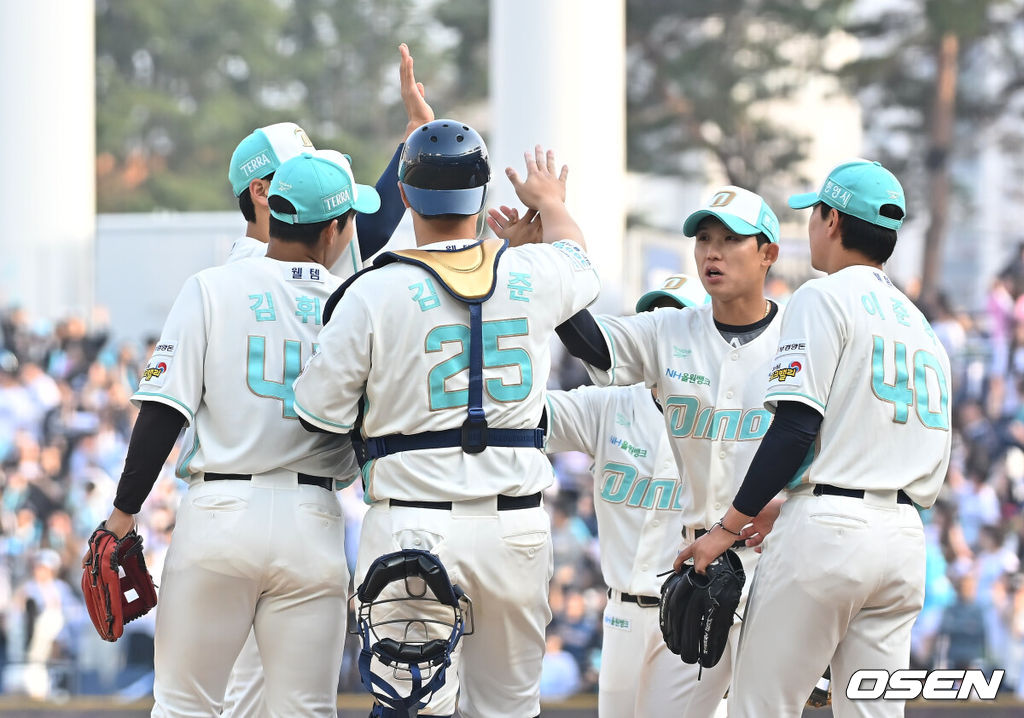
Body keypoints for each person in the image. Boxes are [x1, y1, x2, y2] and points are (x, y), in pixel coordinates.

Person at [292, 132, 600, 717]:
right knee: (509, 708)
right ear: (481, 195)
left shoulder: (374, 288)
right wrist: (551, 203)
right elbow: (578, 258)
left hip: (413, 521)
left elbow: (317, 411)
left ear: (405, 195)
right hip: (515, 525)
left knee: (412, 707)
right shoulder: (530, 271)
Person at [88, 150, 381, 717]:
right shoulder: (355, 302)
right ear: (334, 230)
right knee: (305, 710)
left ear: (275, 209)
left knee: (183, 705)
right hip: (314, 519)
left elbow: (163, 411)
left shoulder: (211, 287)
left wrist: (122, 514)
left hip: (221, 511)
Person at [678, 160, 952, 718]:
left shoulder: (823, 296)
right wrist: (790, 500)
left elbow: (796, 425)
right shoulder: (922, 327)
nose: (811, 225)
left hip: (828, 537)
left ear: (832, 220)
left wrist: (725, 529)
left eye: (815, 213)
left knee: (761, 706)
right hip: (903, 541)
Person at [221, 43, 433, 718]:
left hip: (305, 504)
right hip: (248, 494)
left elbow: (362, 222)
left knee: (299, 701)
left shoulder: (305, 263)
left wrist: (413, 139)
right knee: (249, 697)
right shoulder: (244, 275)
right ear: (263, 192)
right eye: (297, 173)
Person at [554, 185, 786, 716]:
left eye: (730, 239)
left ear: (768, 253)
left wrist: (793, 504)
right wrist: (549, 248)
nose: (712, 251)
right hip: (702, 565)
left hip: (777, 564)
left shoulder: (798, 335)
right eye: (704, 239)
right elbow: (592, 343)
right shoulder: (669, 332)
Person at [543, 276, 709, 716]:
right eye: (653, 320)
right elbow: (529, 415)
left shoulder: (728, 414)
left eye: (676, 322)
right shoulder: (611, 403)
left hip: (695, 614)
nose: (662, 333)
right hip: (621, 616)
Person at [226, 43, 428, 275]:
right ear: (261, 191)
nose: (311, 174)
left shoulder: (287, 251)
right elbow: (373, 228)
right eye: (294, 171)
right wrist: (417, 127)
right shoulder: (253, 259)